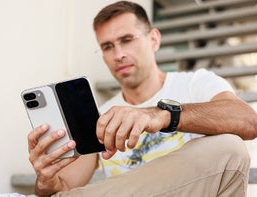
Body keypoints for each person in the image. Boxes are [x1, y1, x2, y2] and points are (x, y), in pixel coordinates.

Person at [27, 1, 257, 196]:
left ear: (154, 39)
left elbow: (248, 122)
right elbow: (65, 187)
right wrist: (47, 181)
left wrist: (161, 114)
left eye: (127, 39)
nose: (119, 55)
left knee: (230, 148)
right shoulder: (101, 115)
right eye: (108, 46)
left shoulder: (196, 83)